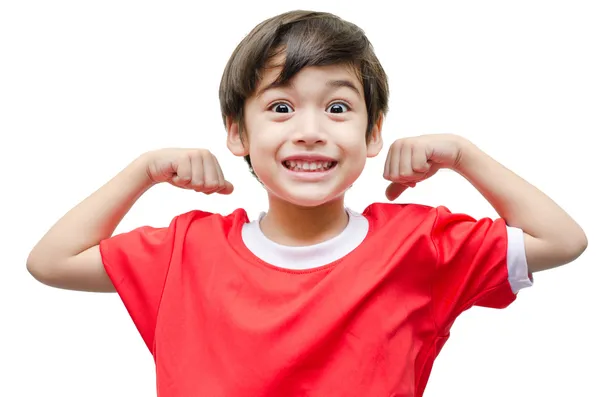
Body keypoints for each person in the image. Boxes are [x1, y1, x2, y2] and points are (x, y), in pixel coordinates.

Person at [26, 9, 587, 397]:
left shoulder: (420, 246)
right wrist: (142, 172)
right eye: (280, 108)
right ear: (236, 133)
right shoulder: (185, 250)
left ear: (374, 135)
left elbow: (562, 241)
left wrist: (465, 155)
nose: (311, 131)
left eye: (338, 108)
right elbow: (51, 262)